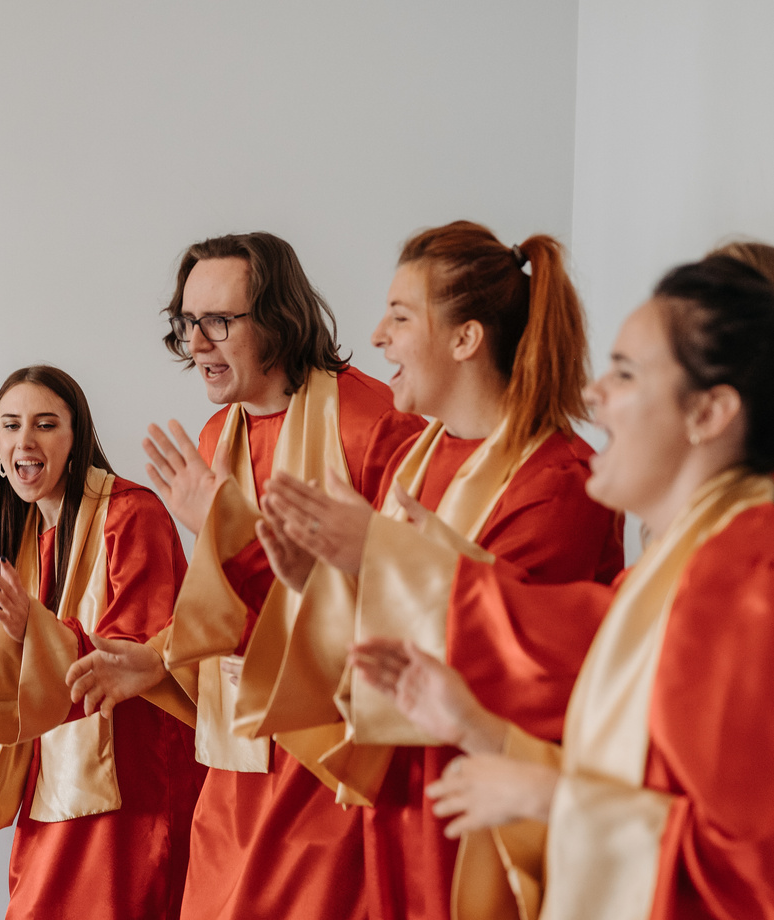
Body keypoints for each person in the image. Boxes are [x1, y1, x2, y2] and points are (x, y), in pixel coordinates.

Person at [360, 255, 774, 920]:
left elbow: (750, 871)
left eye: (626, 373)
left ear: (710, 411)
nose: (590, 394)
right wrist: (478, 730)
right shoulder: (689, 562)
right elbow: (647, 790)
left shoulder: (746, 574)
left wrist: (546, 800)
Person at [257, 222, 623, 920]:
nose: (377, 335)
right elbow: (388, 630)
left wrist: (372, 559)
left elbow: (523, 655)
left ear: (465, 339)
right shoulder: (415, 458)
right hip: (400, 799)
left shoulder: (557, 478)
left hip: (486, 810)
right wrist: (318, 582)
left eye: (399, 316)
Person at [66, 233, 425, 920]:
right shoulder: (213, 439)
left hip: (328, 761)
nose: (196, 343)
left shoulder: (376, 426)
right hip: (233, 764)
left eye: (218, 322)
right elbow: (226, 602)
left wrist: (229, 535)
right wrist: (158, 658)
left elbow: (407, 601)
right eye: (185, 322)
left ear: (280, 320)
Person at [0, 365, 202, 920]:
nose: (24, 442)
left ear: (76, 437)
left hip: (130, 790)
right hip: (54, 788)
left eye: (45, 424)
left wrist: (33, 630)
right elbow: (13, 685)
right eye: (10, 425)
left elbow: (132, 658)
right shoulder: (29, 539)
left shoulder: (132, 515)